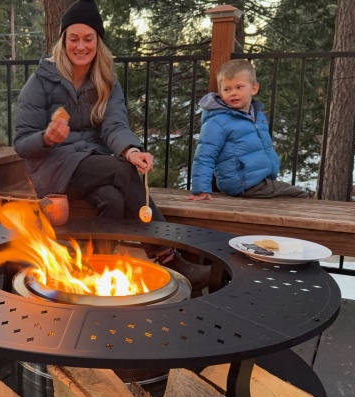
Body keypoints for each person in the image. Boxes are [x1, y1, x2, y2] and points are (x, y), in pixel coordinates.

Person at [13, 0, 209, 288]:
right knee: (123, 172)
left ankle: (94, 271)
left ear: (98, 41)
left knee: (113, 198)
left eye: (88, 39)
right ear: (63, 41)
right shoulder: (41, 81)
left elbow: (115, 125)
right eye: (74, 39)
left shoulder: (106, 79)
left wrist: (131, 150)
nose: (81, 46)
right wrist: (46, 138)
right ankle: (169, 254)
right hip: (52, 167)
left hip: (93, 162)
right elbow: (21, 143)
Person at [187, 60, 307, 201]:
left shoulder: (257, 115)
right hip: (244, 183)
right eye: (227, 89)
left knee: (290, 196)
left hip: (259, 180)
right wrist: (201, 190)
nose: (233, 93)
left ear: (254, 89)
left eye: (239, 87)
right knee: (299, 195)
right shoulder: (218, 121)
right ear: (220, 92)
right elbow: (205, 155)